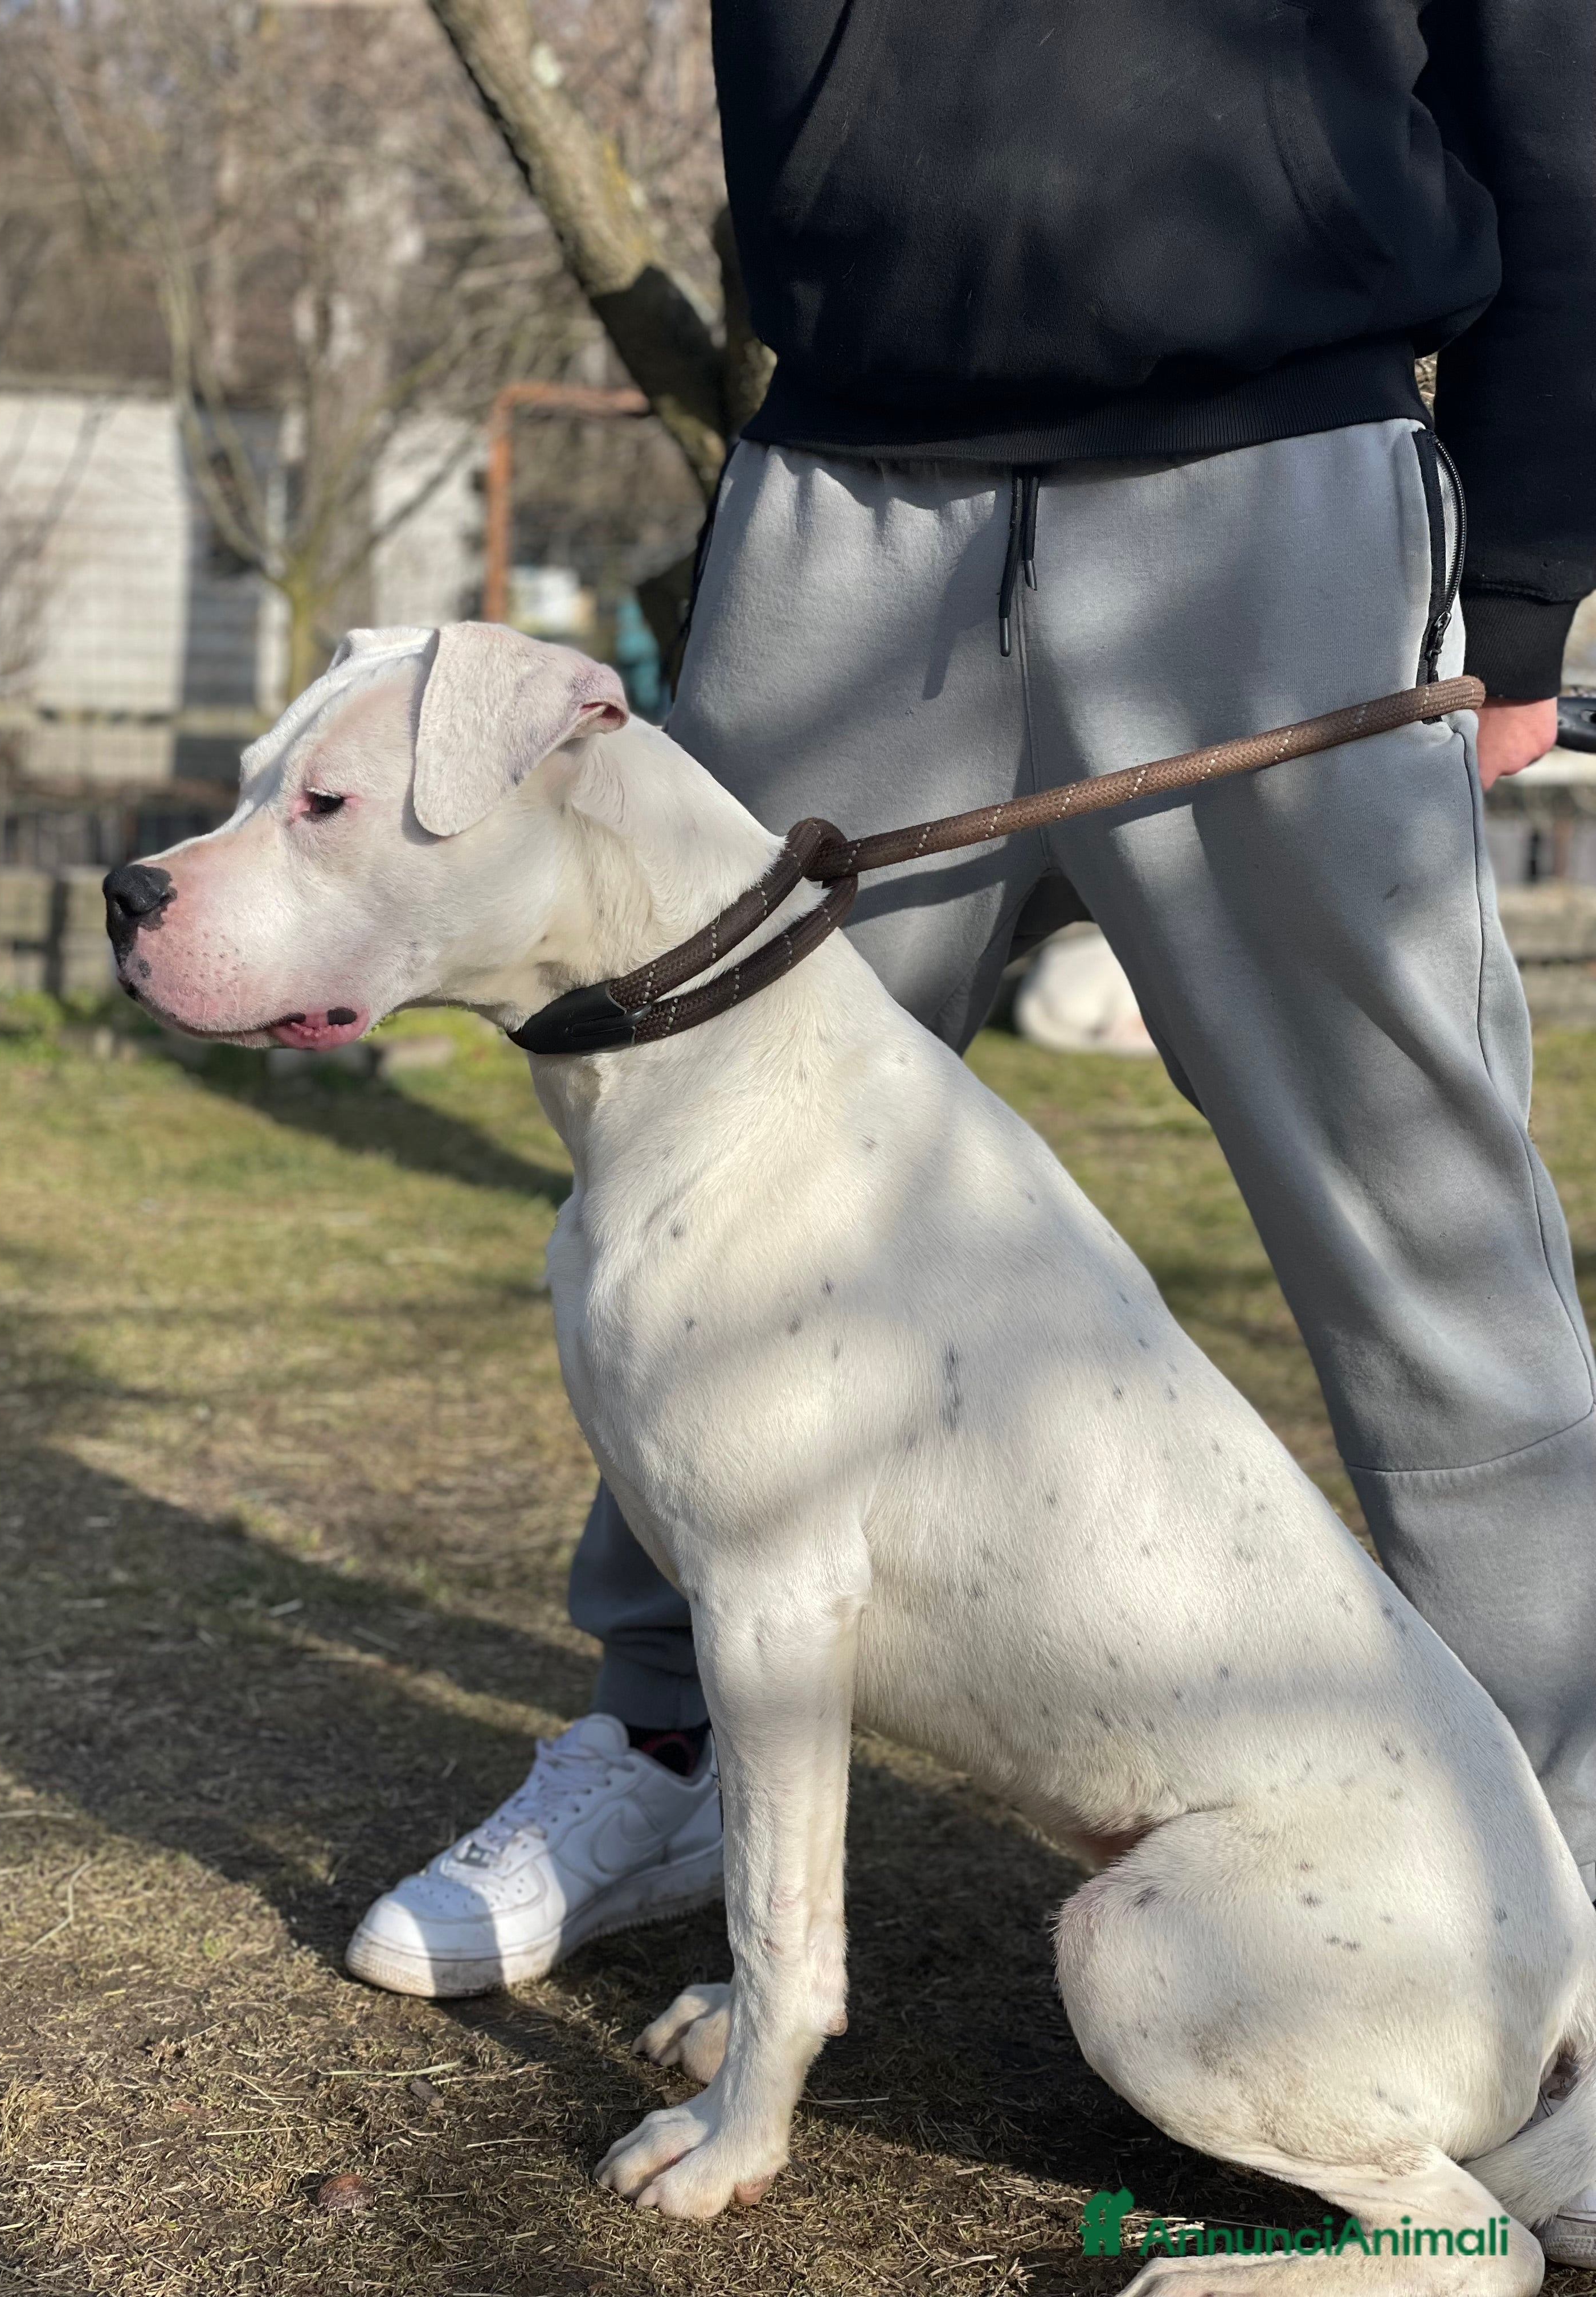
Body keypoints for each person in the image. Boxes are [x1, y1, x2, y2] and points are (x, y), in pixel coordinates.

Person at [350, 0, 1595, 2241]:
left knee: (1429, 1244)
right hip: (852, 480)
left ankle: (1555, 1915)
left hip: (1282, 479)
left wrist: (1524, 561)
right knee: (694, 1172)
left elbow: (1553, 69)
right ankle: (668, 1754)